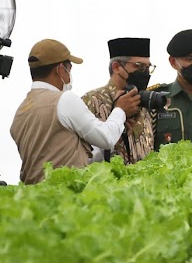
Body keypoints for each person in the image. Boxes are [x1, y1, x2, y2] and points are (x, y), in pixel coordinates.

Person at [10, 39, 140, 184]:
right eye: (69, 69)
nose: (70, 75)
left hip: (34, 198)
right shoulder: (64, 100)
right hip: (65, 194)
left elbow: (60, 152)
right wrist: (120, 110)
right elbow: (106, 138)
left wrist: (119, 125)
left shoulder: (21, 111)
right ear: (60, 69)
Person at [82, 37, 156, 164]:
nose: (144, 73)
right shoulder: (92, 101)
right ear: (116, 67)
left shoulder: (146, 103)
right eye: (139, 66)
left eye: (148, 67)